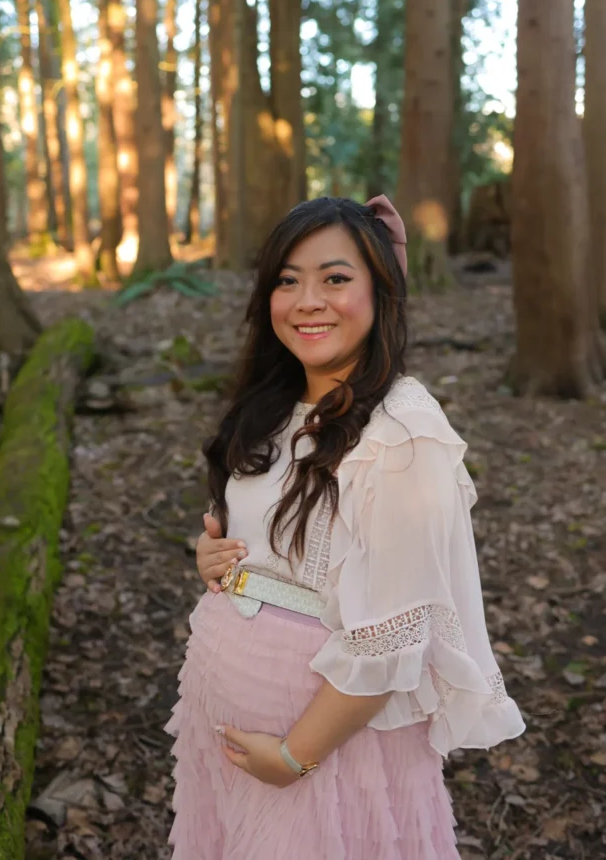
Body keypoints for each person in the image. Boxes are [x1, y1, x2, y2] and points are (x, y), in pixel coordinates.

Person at [165, 196, 524, 860]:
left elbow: (395, 633)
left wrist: (295, 756)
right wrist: (215, 556)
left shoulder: (400, 432)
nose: (307, 300)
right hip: (226, 720)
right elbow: (275, 535)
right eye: (287, 279)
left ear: (378, 291)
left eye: (334, 278)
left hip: (321, 746)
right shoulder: (274, 407)